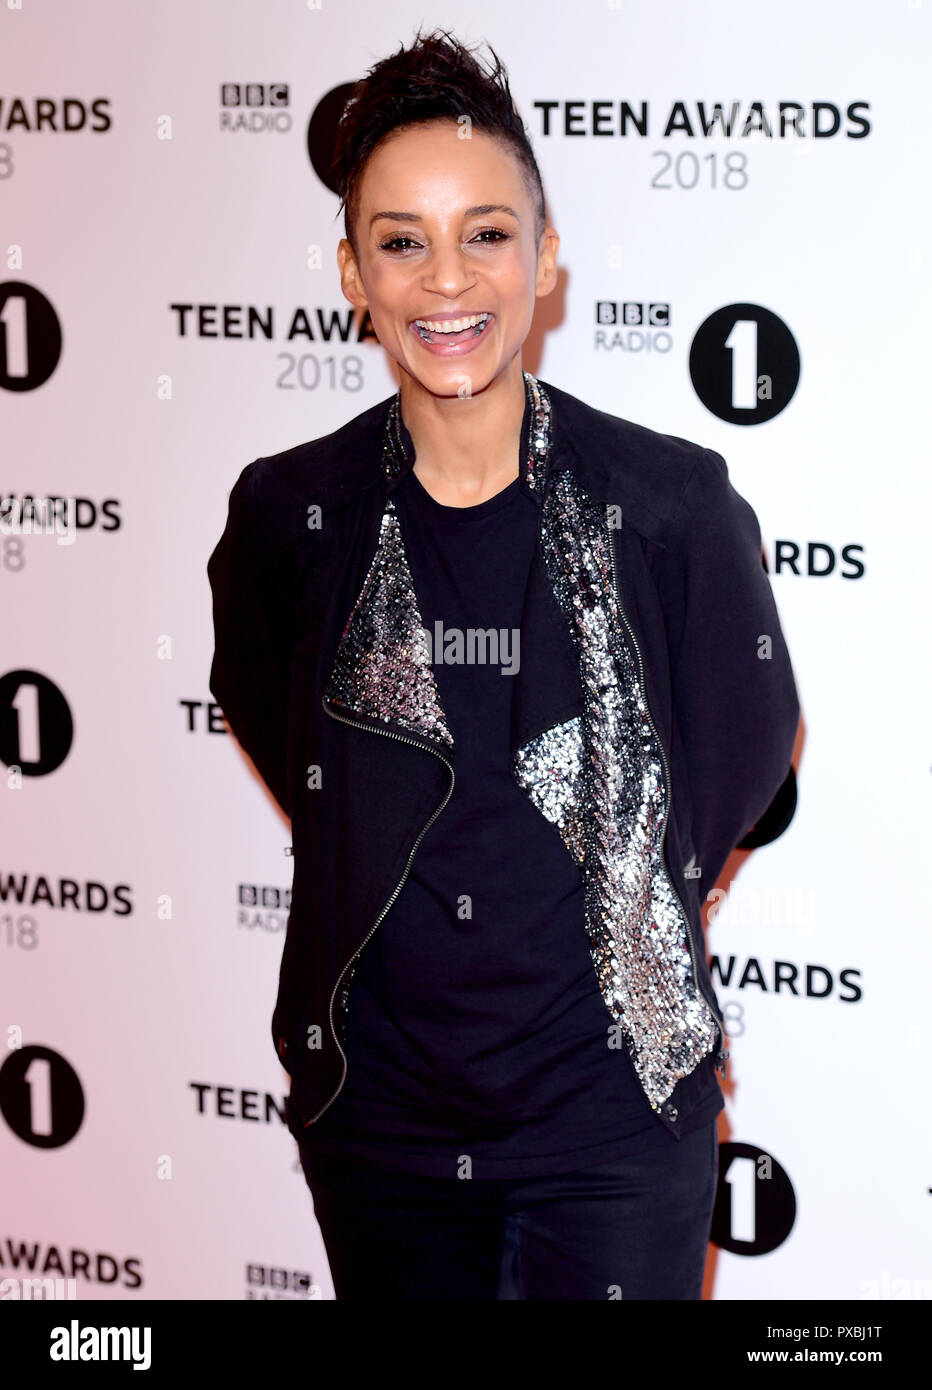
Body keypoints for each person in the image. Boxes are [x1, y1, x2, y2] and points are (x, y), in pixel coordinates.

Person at [207, 27, 800, 1301]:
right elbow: (271, 717)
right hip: (379, 1123)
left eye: (484, 233)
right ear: (352, 273)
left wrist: (630, 878)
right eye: (401, 242)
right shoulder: (288, 515)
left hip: (612, 1116)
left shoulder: (669, 504)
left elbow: (744, 748)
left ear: (543, 256)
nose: (445, 279)